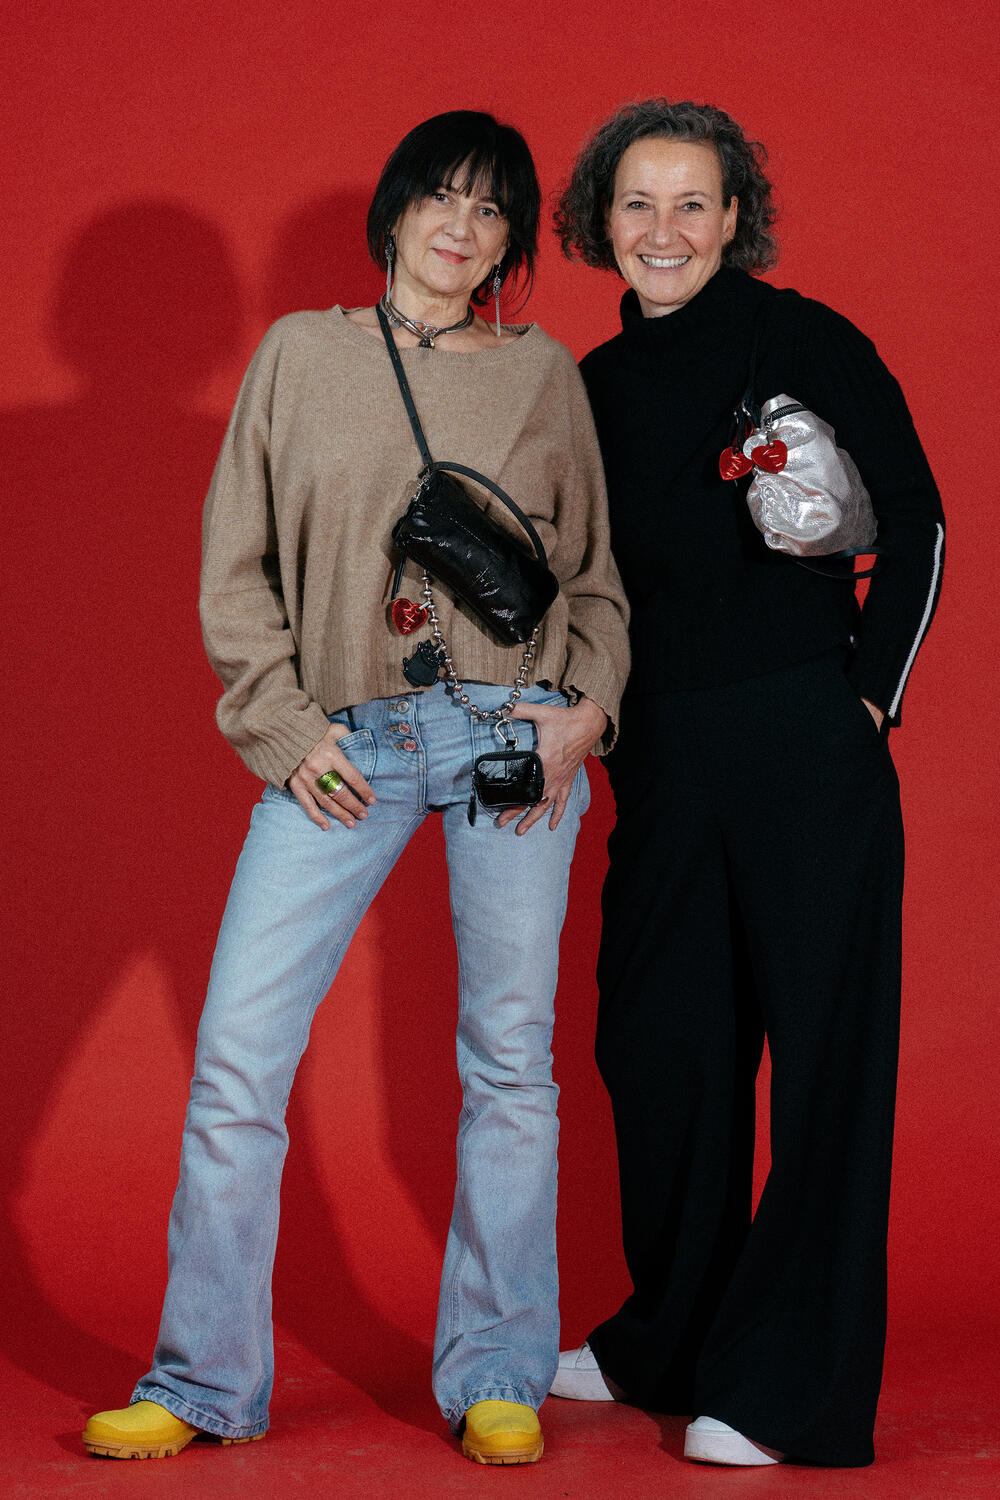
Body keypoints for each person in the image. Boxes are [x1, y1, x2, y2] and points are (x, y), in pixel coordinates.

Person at [83, 110, 629, 1468]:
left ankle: (498, 1371)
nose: (462, 226)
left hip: (510, 736)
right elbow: (236, 565)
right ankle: (202, 1381)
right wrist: (280, 727)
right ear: (394, 211)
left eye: (492, 210)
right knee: (238, 1059)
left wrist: (585, 718)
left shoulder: (544, 374)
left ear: (510, 243)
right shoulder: (300, 356)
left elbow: (596, 583)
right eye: (441, 196)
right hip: (348, 743)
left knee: (510, 1062)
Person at [549, 99, 943, 1468]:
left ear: (733, 219)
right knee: (663, 1047)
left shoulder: (804, 337)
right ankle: (672, 1337)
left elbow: (919, 515)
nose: (663, 230)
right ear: (601, 221)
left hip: (801, 741)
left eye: (691, 203)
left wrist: (866, 701)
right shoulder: (593, 384)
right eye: (637, 203)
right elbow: (583, 579)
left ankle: (788, 1393)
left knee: (825, 1062)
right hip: (660, 756)